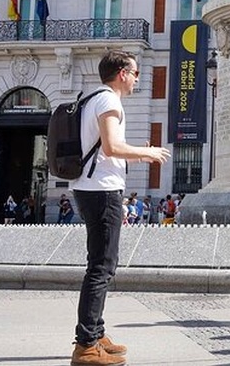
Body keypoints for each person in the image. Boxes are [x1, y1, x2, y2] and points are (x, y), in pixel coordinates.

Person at [69, 50, 170, 366]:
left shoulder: (92, 98)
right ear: (122, 73)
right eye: (136, 72)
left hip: (89, 189)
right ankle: (86, 345)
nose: (138, 78)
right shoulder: (109, 101)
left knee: (99, 263)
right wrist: (147, 152)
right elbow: (112, 146)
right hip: (101, 190)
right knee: (101, 267)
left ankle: (96, 333)